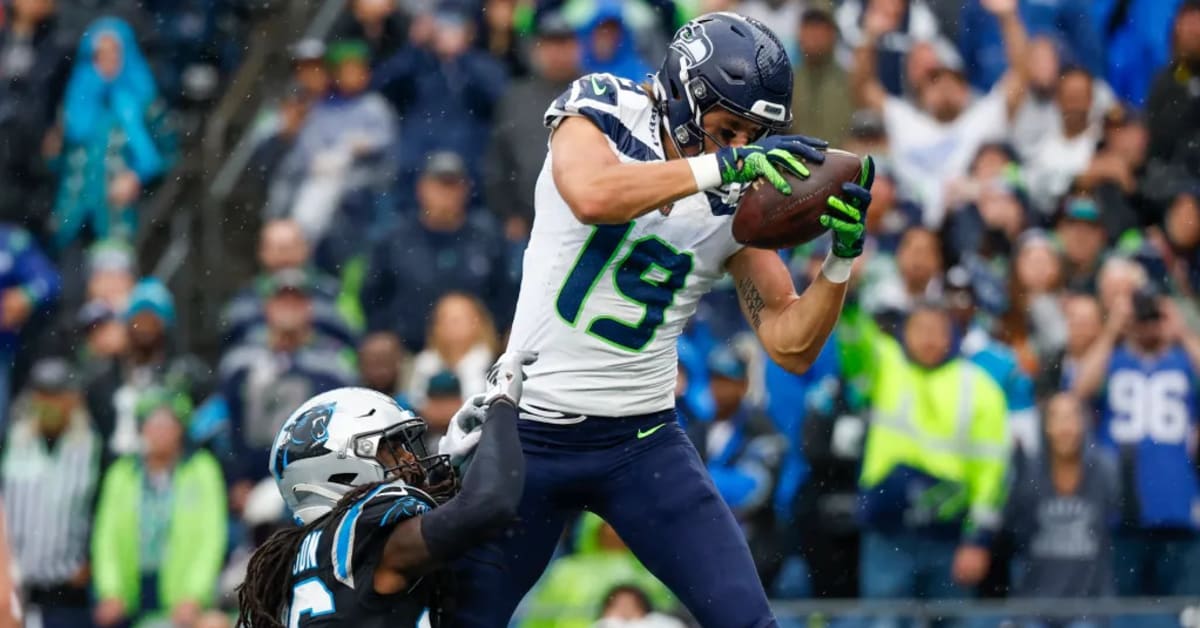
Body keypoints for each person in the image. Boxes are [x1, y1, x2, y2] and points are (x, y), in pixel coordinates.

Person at [451, 12, 874, 626]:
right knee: (463, 620)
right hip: (530, 429)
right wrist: (721, 170)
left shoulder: (738, 191)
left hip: (640, 441)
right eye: (729, 128)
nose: (740, 147)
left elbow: (790, 343)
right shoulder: (604, 106)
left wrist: (838, 261)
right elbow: (592, 194)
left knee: (749, 621)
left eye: (752, 135)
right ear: (682, 93)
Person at [235, 352, 534, 627]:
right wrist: (503, 406)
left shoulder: (306, 551)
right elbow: (490, 504)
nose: (408, 458)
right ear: (341, 466)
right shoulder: (365, 529)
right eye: (392, 448)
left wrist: (448, 469)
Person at [857, 302, 1010, 621]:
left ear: (951, 335)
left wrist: (977, 541)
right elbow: (850, 337)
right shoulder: (883, 363)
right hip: (888, 534)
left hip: (949, 539)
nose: (928, 339)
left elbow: (992, 475)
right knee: (882, 622)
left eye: (936, 330)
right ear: (903, 333)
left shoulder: (980, 387)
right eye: (919, 329)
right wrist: (843, 277)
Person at [1071, 286, 1200, 605]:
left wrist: (1182, 331)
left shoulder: (1183, 362)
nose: (1147, 323)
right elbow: (1078, 390)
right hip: (1122, 505)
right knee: (1124, 611)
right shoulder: (1113, 361)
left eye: (1152, 315)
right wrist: (1112, 330)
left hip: (1177, 505)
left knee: (1182, 611)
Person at [851, 0, 1027, 225]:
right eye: (934, 82)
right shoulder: (905, 119)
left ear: (966, 91)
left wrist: (1008, 17)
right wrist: (870, 35)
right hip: (911, 220)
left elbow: (1021, 73)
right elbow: (862, 87)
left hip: (968, 218)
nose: (944, 88)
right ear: (921, 94)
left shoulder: (983, 118)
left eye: (953, 81)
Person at [91, 388, 227, 627]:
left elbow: (211, 537)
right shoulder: (121, 474)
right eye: (153, 423)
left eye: (168, 424)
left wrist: (194, 595)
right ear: (142, 428)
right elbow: (106, 538)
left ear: (180, 429)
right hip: (132, 592)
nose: (160, 432)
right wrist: (111, 591)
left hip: (180, 597)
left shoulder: (203, 470)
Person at [362, 152, 516, 350]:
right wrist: (386, 334)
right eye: (439, 185)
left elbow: (506, 297)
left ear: (466, 189)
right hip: (409, 352)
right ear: (421, 188)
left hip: (478, 355)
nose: (445, 194)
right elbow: (373, 299)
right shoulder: (394, 240)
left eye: (452, 185)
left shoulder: (487, 239)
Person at [53, 16, 174, 251]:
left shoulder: (144, 100)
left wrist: (137, 176)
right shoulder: (75, 101)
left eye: (114, 53)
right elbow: (60, 158)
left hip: (122, 217)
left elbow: (168, 152)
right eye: (99, 55)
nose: (107, 62)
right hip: (72, 217)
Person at [1, 358, 100, 628]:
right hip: (15, 586)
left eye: (57, 395)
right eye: (43, 395)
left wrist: (93, 559)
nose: (50, 404)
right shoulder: (12, 440)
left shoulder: (91, 445)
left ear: (73, 398)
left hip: (68, 587)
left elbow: (104, 507)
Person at [1003, 393, 1118, 620]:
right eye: (1057, 418)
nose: (1065, 427)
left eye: (1072, 417)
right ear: (1045, 425)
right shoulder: (1028, 473)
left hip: (1089, 610)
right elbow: (1013, 532)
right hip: (1034, 606)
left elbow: (1119, 526)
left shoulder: (1104, 472)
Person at [486, 12, 581, 237]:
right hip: (528, 222)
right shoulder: (515, 98)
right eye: (550, 45)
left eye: (563, 44)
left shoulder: (597, 94)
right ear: (536, 50)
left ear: (576, 48)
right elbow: (498, 161)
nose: (556, 53)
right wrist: (508, 213)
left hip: (585, 220)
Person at [405, 292, 497, 412]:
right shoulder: (424, 364)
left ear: (478, 323)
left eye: (458, 319)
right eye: (444, 318)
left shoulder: (494, 365)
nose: (450, 325)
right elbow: (413, 403)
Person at [791, 7, 851, 146]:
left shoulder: (851, 82)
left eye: (820, 29)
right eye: (809, 28)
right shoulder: (787, 81)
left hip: (841, 162)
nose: (814, 36)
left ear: (833, 34)